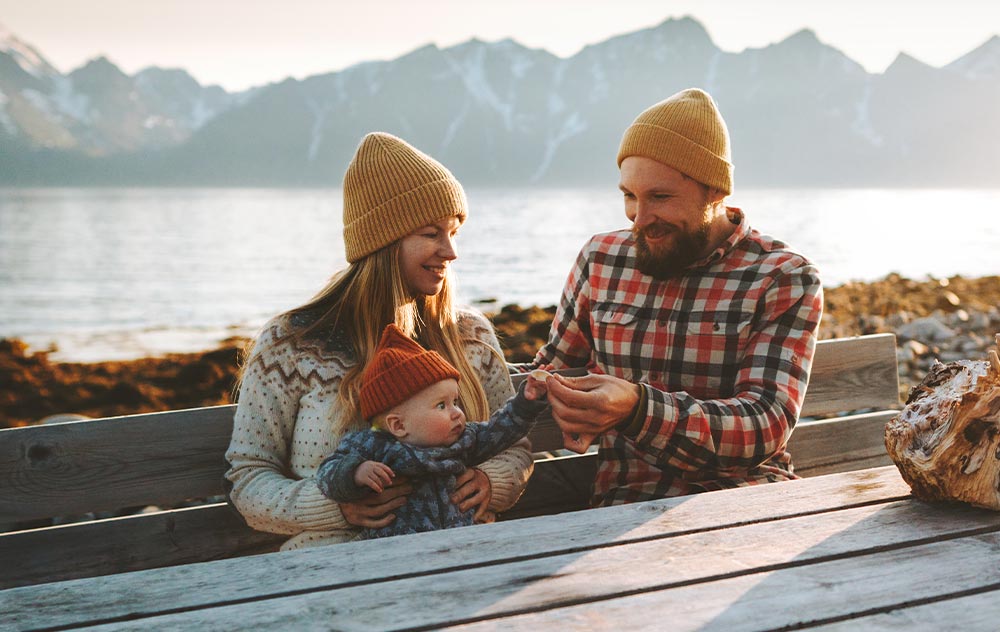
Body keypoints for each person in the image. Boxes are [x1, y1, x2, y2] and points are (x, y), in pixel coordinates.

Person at [513, 88, 824, 506]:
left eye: (659, 197)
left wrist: (638, 409)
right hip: (620, 504)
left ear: (714, 191)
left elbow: (764, 425)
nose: (639, 220)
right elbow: (552, 370)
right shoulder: (601, 259)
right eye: (628, 196)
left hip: (740, 503)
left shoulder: (782, 277)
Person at [225, 132, 534, 550]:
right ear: (383, 242)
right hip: (332, 569)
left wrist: (489, 482)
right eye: (431, 233)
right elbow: (249, 478)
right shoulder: (292, 343)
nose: (450, 251)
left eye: (453, 232)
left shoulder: (470, 336)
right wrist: (337, 505)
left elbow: (513, 446)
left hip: (463, 559)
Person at [315, 324, 549, 539]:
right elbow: (327, 472)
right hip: (394, 552)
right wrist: (355, 472)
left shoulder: (463, 440)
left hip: (459, 543)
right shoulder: (373, 446)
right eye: (441, 405)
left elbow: (502, 429)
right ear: (398, 425)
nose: (457, 412)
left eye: (455, 402)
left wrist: (526, 403)